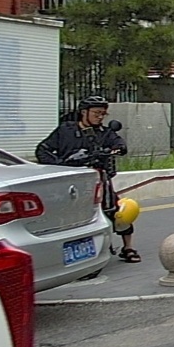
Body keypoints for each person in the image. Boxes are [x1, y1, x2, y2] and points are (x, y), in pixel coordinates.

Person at [36, 96, 138, 262]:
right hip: (69, 179)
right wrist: (58, 164)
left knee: (119, 210)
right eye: (97, 113)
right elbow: (42, 149)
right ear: (84, 112)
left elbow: (120, 146)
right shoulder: (65, 130)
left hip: (97, 179)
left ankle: (128, 247)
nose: (100, 117)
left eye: (103, 114)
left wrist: (111, 151)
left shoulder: (105, 133)